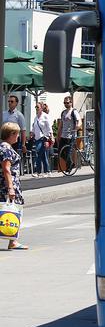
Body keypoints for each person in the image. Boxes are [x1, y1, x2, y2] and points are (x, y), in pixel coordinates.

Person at [2, 121, 28, 250]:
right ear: (11, 134)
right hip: (8, 184)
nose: (18, 137)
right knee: (15, 210)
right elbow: (6, 169)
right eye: (17, 134)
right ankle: (13, 241)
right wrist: (11, 188)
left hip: (6, 184)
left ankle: (13, 241)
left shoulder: (3, 147)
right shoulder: (6, 149)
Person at [58, 96, 80, 169]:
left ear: (71, 103)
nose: (66, 104)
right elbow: (61, 124)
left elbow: (79, 122)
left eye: (67, 103)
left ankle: (69, 168)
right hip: (63, 135)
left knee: (68, 152)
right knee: (60, 152)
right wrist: (58, 134)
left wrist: (76, 128)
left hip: (71, 136)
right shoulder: (63, 113)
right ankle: (71, 163)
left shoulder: (74, 112)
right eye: (64, 103)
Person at [31, 102, 52, 177]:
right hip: (37, 139)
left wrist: (49, 138)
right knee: (43, 155)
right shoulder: (36, 117)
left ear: (41, 108)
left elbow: (49, 127)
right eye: (35, 107)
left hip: (43, 138)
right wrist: (32, 133)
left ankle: (38, 171)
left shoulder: (45, 116)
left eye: (37, 107)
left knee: (37, 153)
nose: (36, 108)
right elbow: (34, 127)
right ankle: (48, 171)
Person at [2, 95, 25, 164]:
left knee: (11, 156)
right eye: (9, 101)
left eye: (12, 101)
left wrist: (23, 144)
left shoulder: (19, 115)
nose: (9, 103)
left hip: (14, 140)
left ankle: (11, 171)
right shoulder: (4, 113)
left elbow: (23, 130)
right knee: (4, 156)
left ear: (16, 103)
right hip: (4, 138)